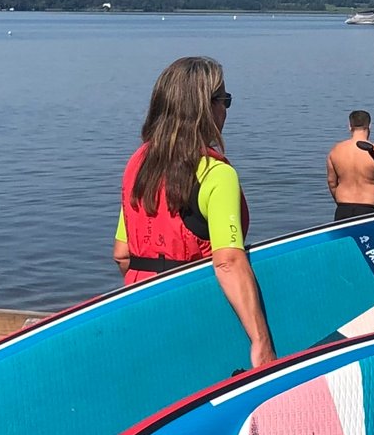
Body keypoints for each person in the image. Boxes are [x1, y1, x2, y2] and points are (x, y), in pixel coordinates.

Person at [115, 56, 276, 369]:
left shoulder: (137, 165)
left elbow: (122, 253)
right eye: (225, 100)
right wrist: (262, 342)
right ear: (206, 107)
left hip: (139, 309)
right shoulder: (217, 174)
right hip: (196, 312)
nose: (226, 109)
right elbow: (228, 262)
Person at [325, 110, 374, 221]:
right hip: (369, 209)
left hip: (343, 208)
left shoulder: (335, 151)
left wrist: (341, 201)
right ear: (370, 125)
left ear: (350, 126)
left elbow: (331, 183)